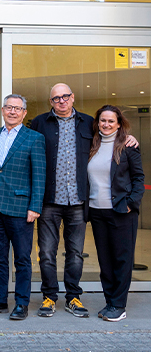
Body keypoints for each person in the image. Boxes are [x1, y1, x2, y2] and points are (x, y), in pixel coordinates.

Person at [31, 83, 138, 319]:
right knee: (46, 253)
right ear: (51, 102)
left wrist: (128, 137)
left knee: (75, 253)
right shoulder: (39, 123)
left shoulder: (89, 122)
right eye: (56, 98)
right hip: (49, 201)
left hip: (79, 201)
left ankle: (73, 297)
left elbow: (110, 135)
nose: (61, 101)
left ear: (72, 97)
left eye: (65, 96)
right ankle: (49, 297)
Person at [0, 94, 46, 321]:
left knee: (22, 259)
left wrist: (35, 206)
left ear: (24, 113)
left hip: (21, 208)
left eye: (17, 108)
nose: (13, 111)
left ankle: (21, 303)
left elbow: (39, 175)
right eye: (9, 107)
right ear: (2, 110)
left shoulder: (34, 138)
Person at [87, 105, 145, 322]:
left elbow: (138, 179)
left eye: (111, 121)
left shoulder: (128, 146)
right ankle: (110, 302)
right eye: (103, 120)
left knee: (122, 259)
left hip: (122, 211)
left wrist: (131, 203)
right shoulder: (92, 144)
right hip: (97, 212)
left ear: (119, 124)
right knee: (105, 261)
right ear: (97, 122)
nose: (106, 124)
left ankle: (119, 305)